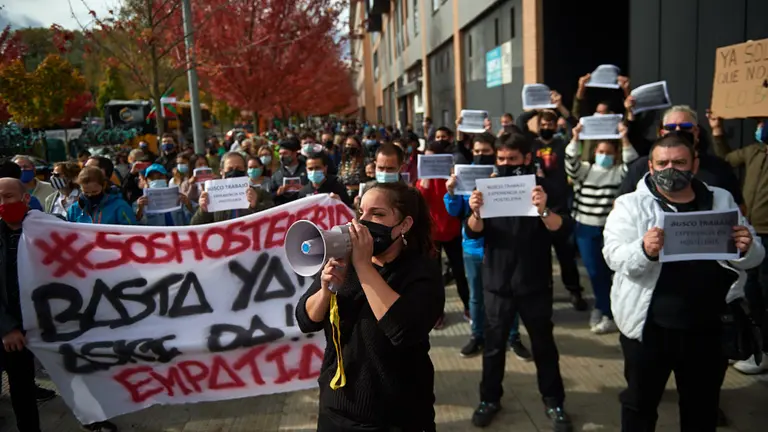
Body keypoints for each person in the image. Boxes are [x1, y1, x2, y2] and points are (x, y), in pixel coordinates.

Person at [603, 133, 764, 431]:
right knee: (639, 405)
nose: (670, 169)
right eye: (662, 163)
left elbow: (754, 255)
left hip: (708, 329)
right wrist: (644, 250)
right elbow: (614, 257)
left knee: (701, 408)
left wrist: (746, 248)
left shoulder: (720, 199)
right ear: (650, 167)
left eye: (679, 162)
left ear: (694, 164)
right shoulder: (630, 205)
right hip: (649, 329)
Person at [296, 182, 444, 431]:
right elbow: (305, 319)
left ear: (404, 225)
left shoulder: (421, 272)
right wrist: (325, 290)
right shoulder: (347, 261)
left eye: (378, 214)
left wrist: (364, 266)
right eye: (361, 212)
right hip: (337, 409)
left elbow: (402, 330)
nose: (364, 221)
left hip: (398, 416)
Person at [466, 133, 573, 430]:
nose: (505, 164)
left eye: (512, 159)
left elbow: (563, 229)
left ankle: (554, 401)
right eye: (500, 158)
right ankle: (489, 399)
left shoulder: (546, 188)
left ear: (527, 158)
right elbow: (473, 231)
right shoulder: (486, 188)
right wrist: (476, 212)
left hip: (534, 282)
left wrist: (543, 210)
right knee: (493, 346)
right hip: (497, 283)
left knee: (544, 345)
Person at [444, 132, 530, 359]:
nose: (481, 155)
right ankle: (477, 336)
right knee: (476, 296)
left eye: (486, 151)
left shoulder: (506, 174)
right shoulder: (464, 175)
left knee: (509, 293)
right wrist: (451, 192)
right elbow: (454, 211)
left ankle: (513, 337)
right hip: (473, 246)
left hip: (502, 247)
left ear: (495, 153)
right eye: (477, 151)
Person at [566, 122, 638, 334]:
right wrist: (575, 138)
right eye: (600, 152)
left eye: (608, 152)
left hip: (611, 230)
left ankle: (610, 309)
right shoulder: (586, 170)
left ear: (615, 155)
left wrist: (624, 138)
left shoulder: (619, 172)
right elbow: (570, 163)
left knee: (613, 272)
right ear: (594, 152)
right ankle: (604, 309)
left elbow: (632, 163)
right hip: (586, 229)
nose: (604, 156)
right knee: (595, 272)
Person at [710, 115, 768, 375]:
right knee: (750, 292)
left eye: (764, 122)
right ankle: (752, 345)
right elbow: (727, 159)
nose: (761, 127)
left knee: (764, 293)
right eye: (760, 122)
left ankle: (764, 350)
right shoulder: (754, 151)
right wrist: (717, 132)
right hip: (749, 230)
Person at [517, 103, 586, 311]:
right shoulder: (531, 143)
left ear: (556, 126)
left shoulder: (562, 143)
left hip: (560, 205)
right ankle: (545, 293)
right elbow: (520, 122)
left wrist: (560, 107)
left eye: (550, 124)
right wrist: (537, 109)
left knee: (566, 256)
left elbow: (576, 125)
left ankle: (574, 291)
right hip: (537, 207)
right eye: (543, 123)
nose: (546, 126)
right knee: (541, 257)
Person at [0, 178, 42, 432]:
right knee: (19, 387)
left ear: (26, 199)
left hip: (41, 323)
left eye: (8, 196)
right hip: (10, 327)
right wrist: (6, 328)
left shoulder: (48, 228)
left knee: (24, 388)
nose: (2, 203)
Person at [417, 141, 469, 328]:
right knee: (434, 277)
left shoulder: (452, 178)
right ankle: (437, 313)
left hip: (452, 232)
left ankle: (468, 306)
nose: (431, 163)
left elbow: (459, 203)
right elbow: (419, 203)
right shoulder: (422, 180)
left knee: (460, 272)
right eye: (427, 159)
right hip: (432, 236)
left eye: (434, 159)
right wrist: (425, 184)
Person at [191, 152, 271, 225]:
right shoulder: (212, 197)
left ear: (245, 170)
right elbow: (194, 225)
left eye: (239, 168)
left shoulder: (260, 193)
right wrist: (203, 210)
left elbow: (272, 218)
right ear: (221, 171)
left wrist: (256, 206)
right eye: (230, 169)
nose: (234, 172)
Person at [67, 167, 136, 225]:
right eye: (86, 192)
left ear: (104, 185)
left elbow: (131, 230)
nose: (90, 195)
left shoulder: (120, 206)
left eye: (95, 192)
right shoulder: (74, 209)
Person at [269, 138, 309, 205]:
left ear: (294, 153)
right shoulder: (276, 174)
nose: (282, 157)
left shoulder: (307, 169)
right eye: (280, 154)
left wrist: (306, 189)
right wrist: (278, 193)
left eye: (285, 153)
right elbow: (270, 196)